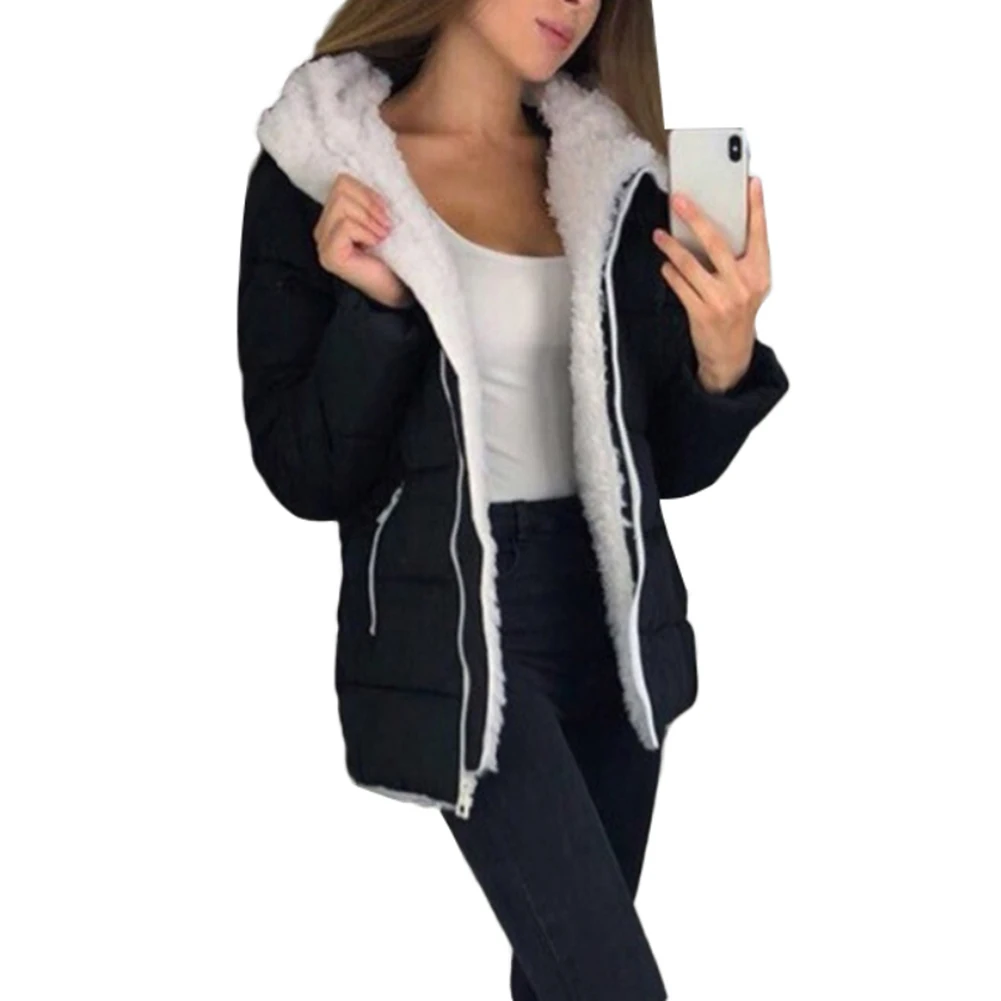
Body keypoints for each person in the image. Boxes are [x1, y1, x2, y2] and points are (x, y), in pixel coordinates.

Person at [237, 2, 789, 998]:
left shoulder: (608, 176)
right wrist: (374, 310)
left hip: (614, 616)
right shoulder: (322, 170)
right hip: (464, 622)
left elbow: (665, 463)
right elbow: (304, 473)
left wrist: (724, 361)